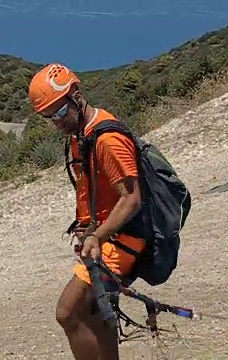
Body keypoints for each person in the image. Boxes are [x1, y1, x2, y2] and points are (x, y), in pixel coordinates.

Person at [28, 64, 146, 360]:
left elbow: (131, 199)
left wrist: (97, 235)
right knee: (97, 311)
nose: (56, 122)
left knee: (68, 311)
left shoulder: (107, 139)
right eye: (48, 117)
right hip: (105, 237)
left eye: (58, 113)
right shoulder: (82, 135)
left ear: (76, 96)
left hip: (122, 240)